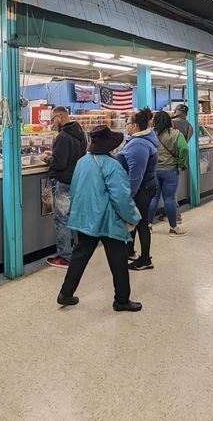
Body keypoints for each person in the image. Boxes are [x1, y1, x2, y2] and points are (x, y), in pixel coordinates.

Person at [57, 125, 142, 312]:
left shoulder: (83, 162)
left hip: (83, 218)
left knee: (79, 257)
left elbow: (75, 188)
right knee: (118, 260)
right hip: (107, 219)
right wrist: (133, 217)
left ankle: (65, 293)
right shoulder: (112, 165)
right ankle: (121, 300)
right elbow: (121, 198)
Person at [39, 106, 87, 269]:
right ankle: (79, 252)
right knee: (74, 218)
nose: (52, 123)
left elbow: (59, 164)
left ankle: (65, 256)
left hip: (63, 182)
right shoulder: (80, 133)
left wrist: (46, 158)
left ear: (60, 117)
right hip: (76, 181)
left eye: (52, 119)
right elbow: (72, 157)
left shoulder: (62, 137)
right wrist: (55, 154)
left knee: (62, 220)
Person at [117, 107, 158, 271]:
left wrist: (128, 196)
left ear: (135, 126)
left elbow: (136, 175)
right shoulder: (141, 140)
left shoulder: (139, 144)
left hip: (142, 189)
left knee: (141, 223)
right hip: (145, 187)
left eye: (128, 123)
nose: (126, 126)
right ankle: (129, 250)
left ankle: (145, 259)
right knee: (134, 219)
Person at [147, 111, 189, 236]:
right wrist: (180, 165)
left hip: (154, 170)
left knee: (154, 197)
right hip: (170, 170)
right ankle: (173, 227)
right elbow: (184, 148)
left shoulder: (151, 134)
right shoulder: (176, 134)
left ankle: (148, 225)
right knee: (169, 199)